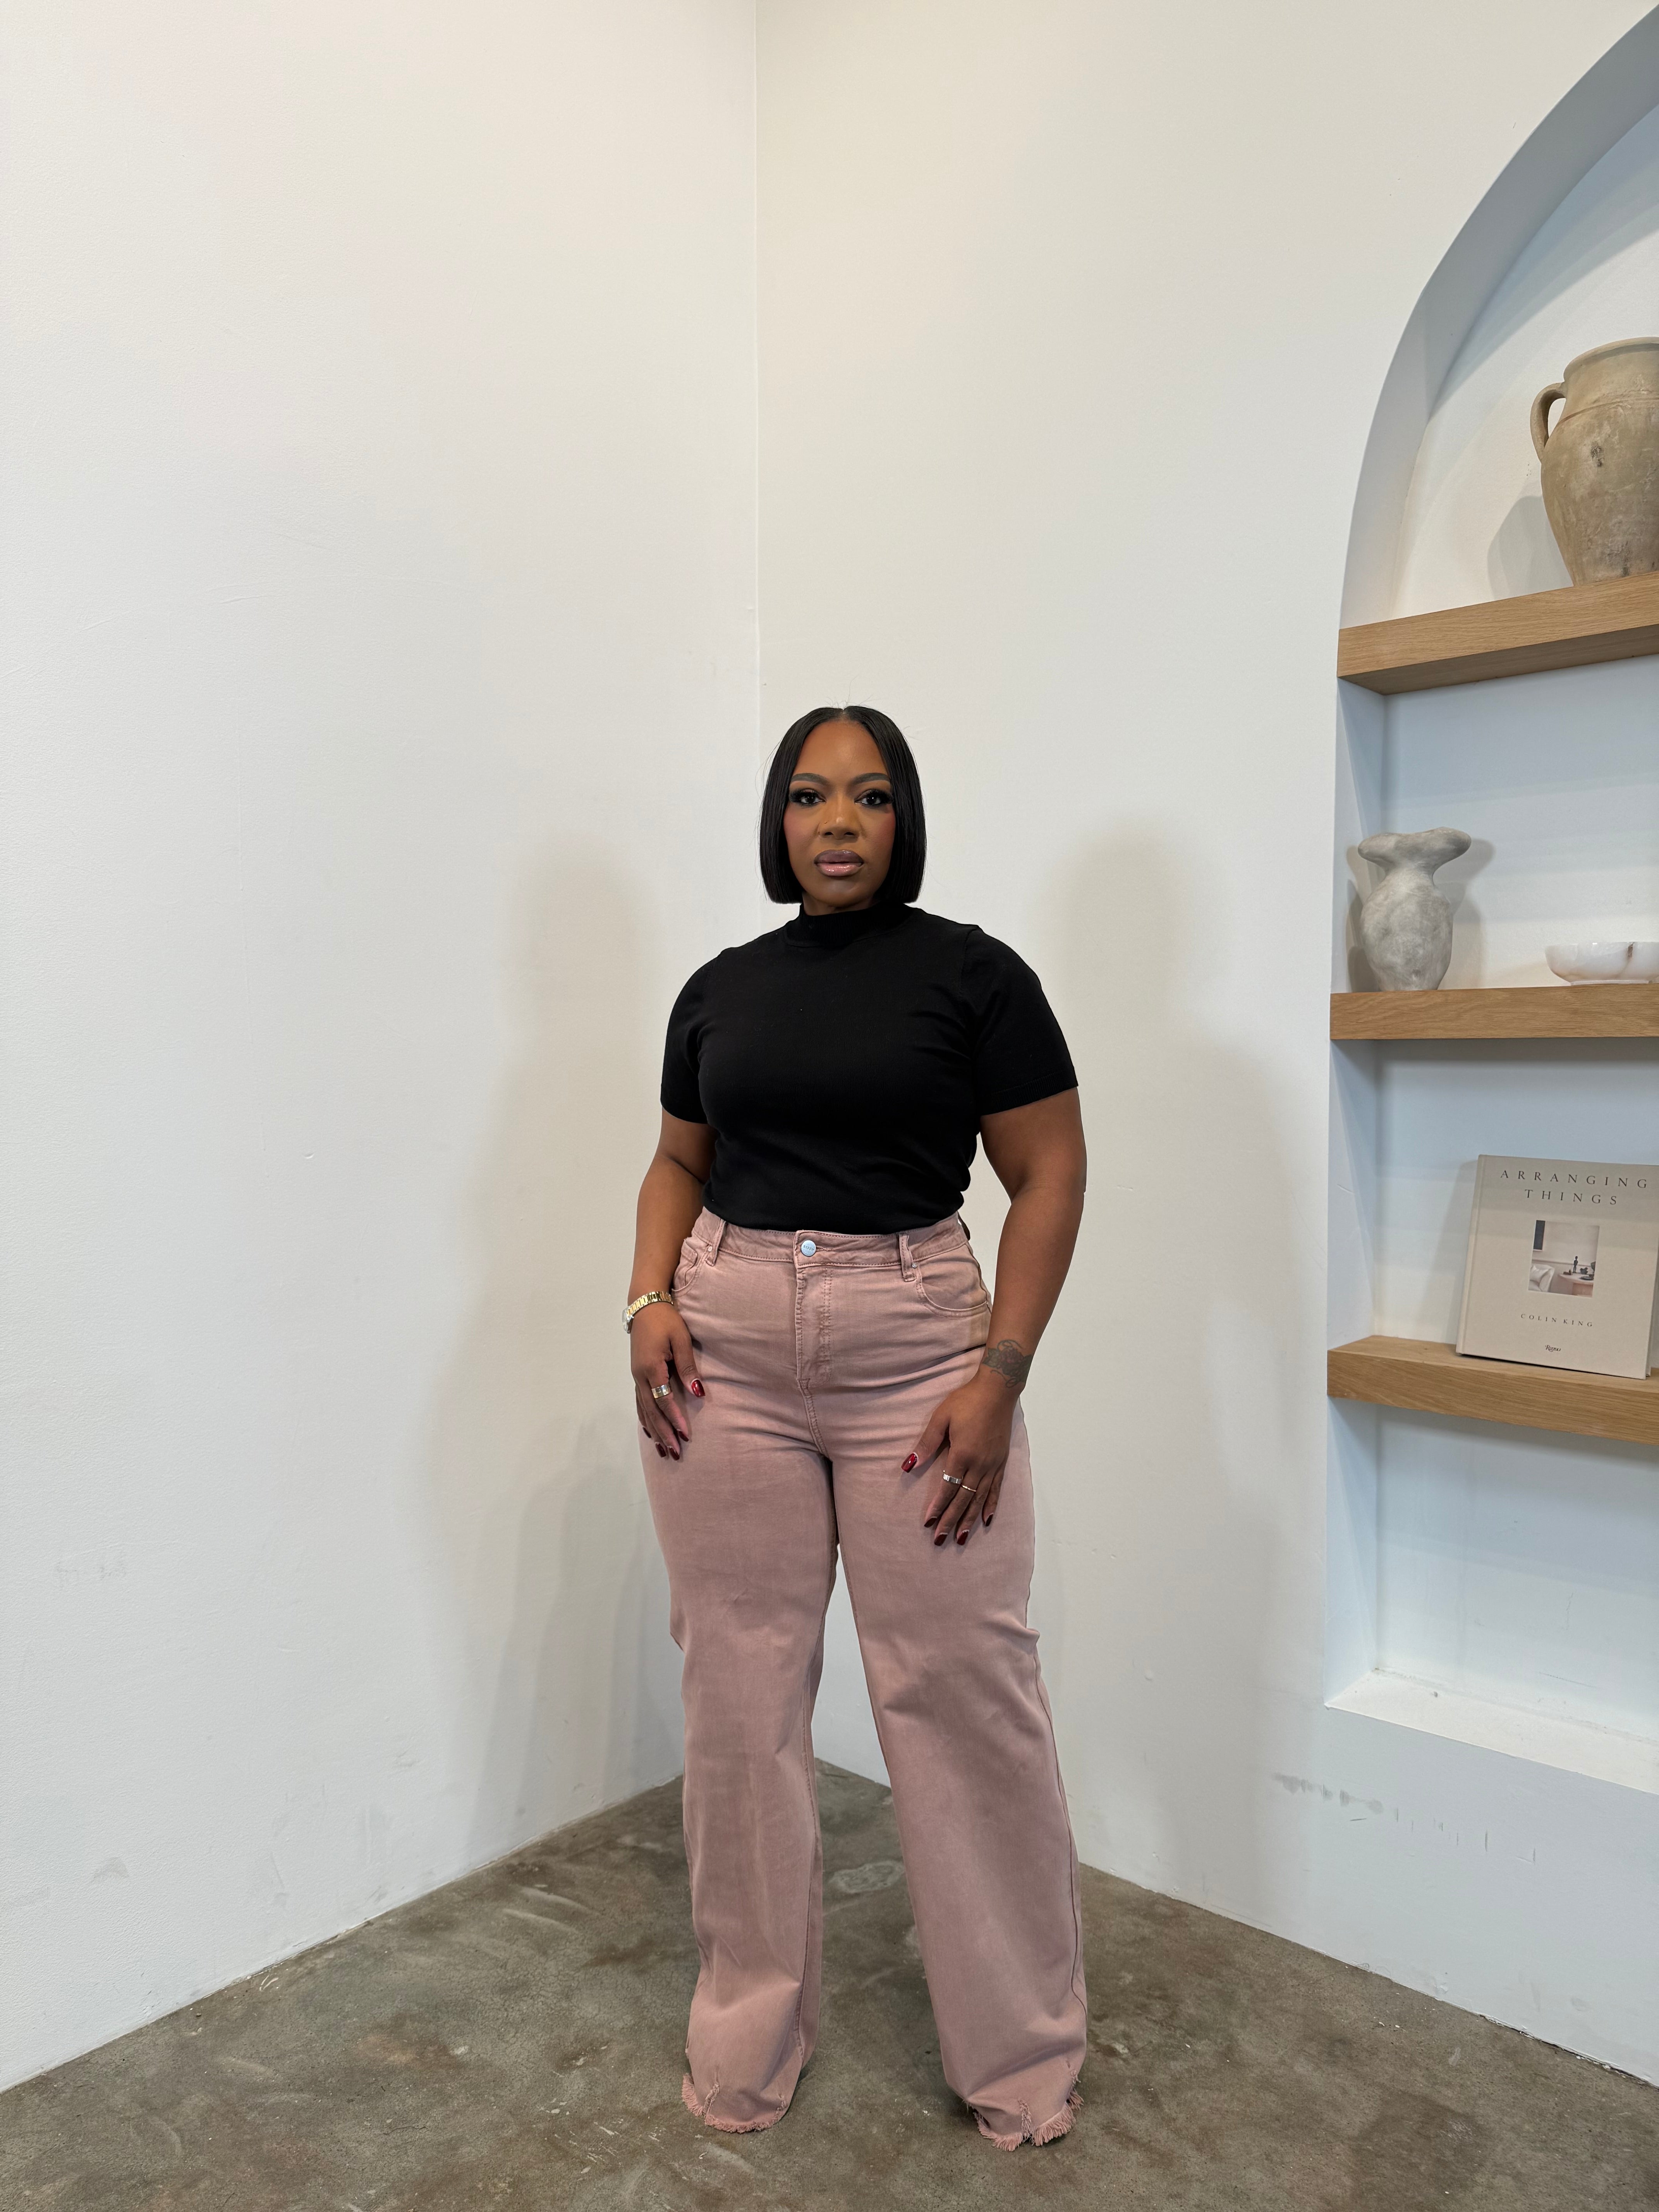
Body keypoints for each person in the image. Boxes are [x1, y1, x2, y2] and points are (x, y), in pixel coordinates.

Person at [625, 705, 1088, 2149]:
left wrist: (1001, 1372)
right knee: (739, 1694)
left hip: (916, 1352)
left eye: (872, 797)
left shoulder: (975, 977)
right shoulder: (720, 988)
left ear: (904, 821)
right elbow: (676, 1159)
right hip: (726, 1354)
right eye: (812, 796)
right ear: (778, 820)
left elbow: (1050, 1168)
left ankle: (1021, 2060)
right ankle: (746, 2038)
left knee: (960, 1687)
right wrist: (647, 1295)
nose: (839, 822)